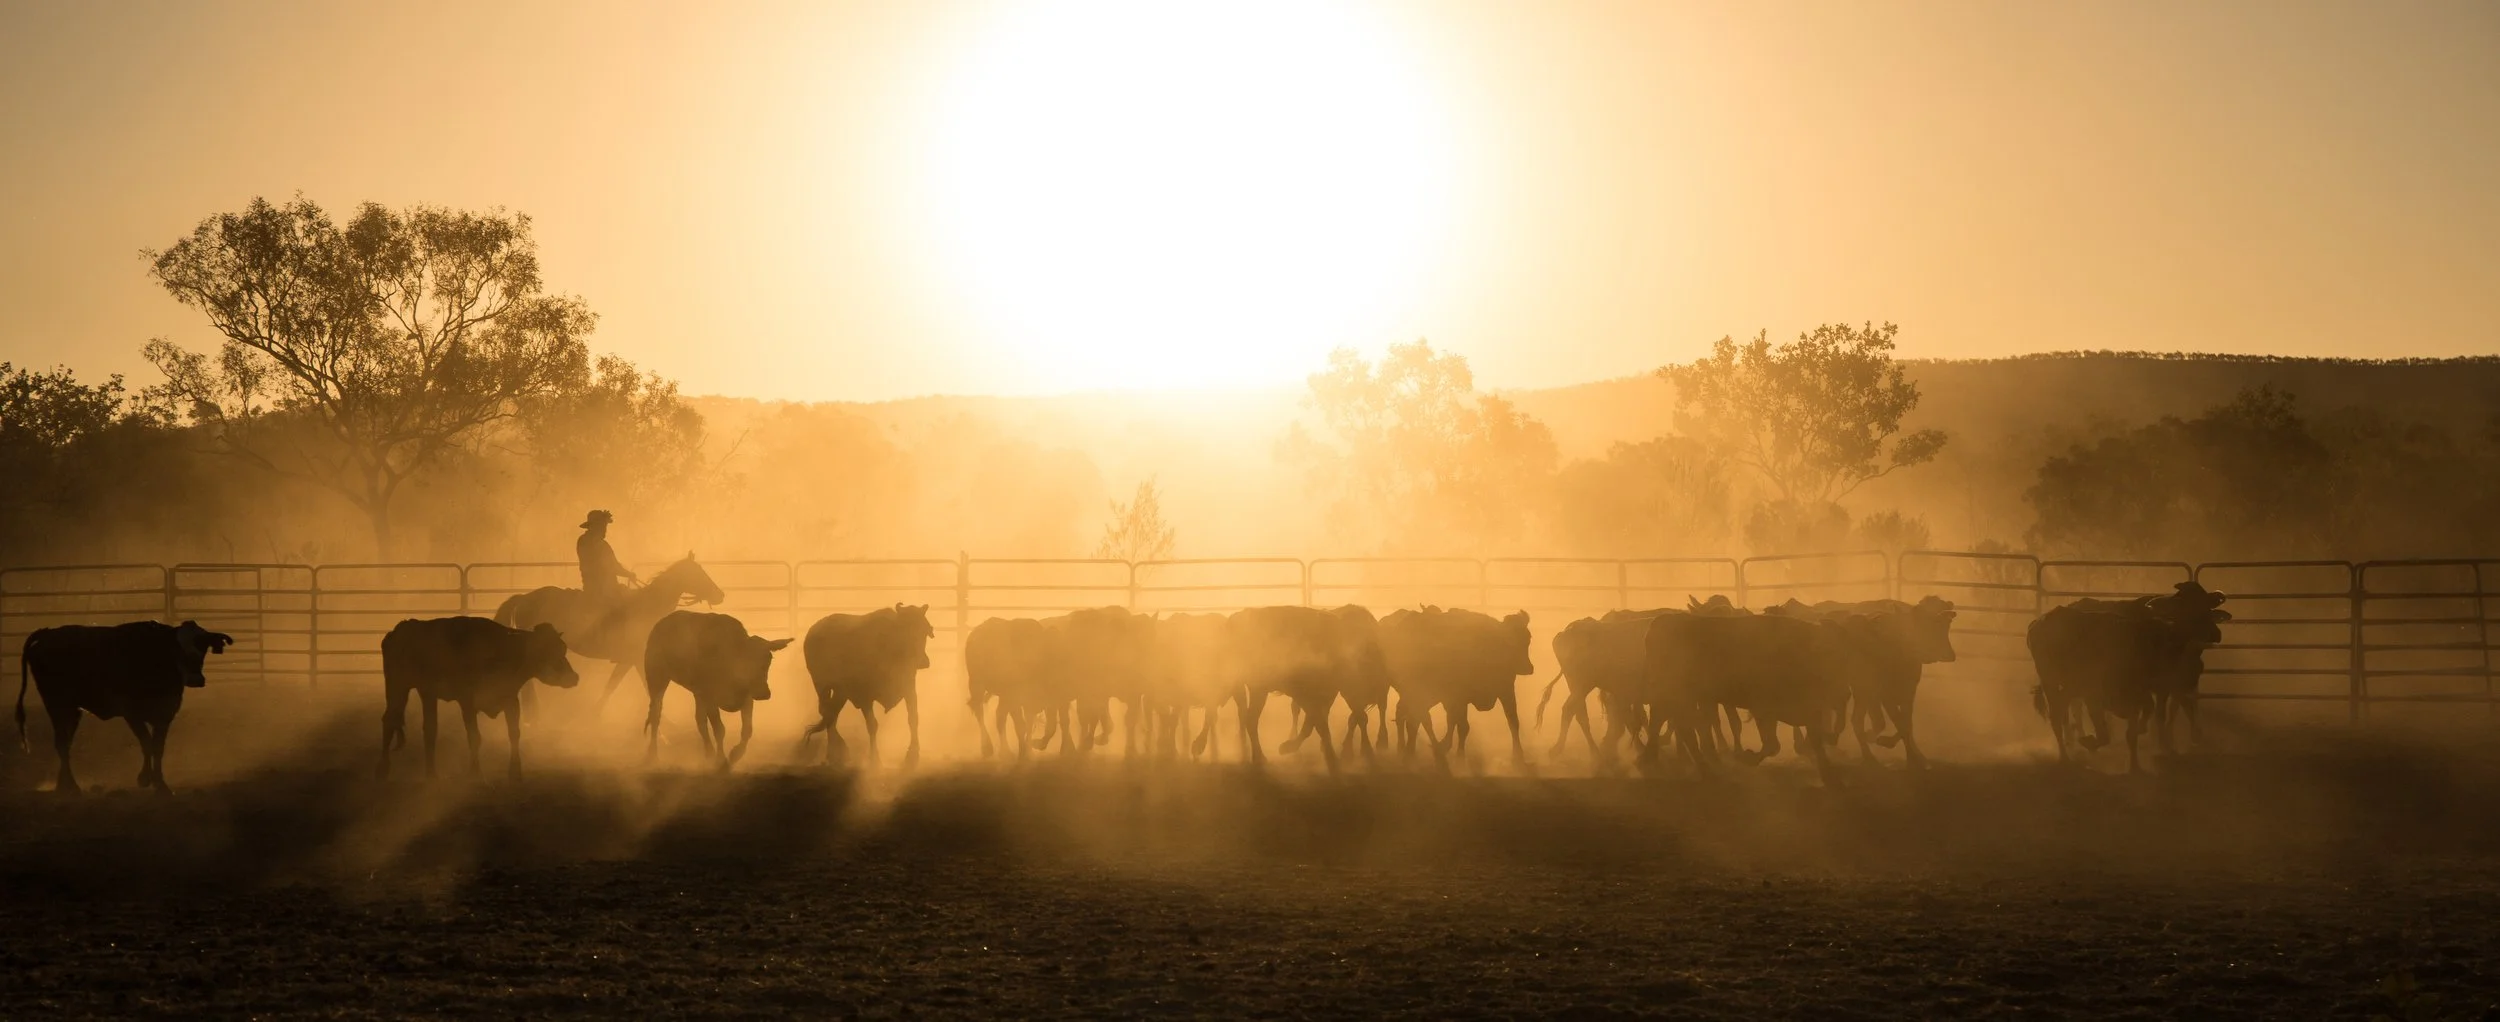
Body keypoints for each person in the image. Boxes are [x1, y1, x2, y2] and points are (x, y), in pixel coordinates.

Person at [576, 509, 638, 608]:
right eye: (602, 526)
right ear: (595, 526)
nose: (605, 529)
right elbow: (613, 567)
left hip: (594, 587)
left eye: (604, 526)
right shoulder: (598, 544)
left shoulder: (583, 540)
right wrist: (629, 574)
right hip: (603, 590)